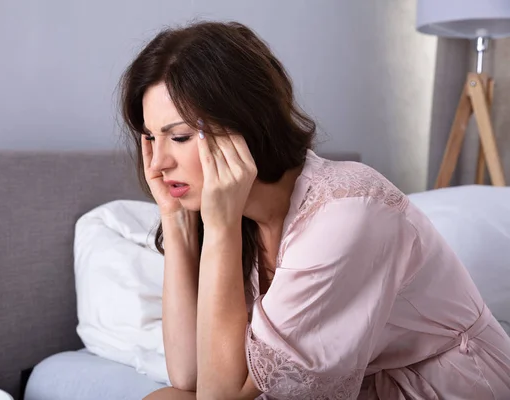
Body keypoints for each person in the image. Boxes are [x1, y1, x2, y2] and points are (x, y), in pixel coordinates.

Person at [118, 20, 510, 400]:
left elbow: (220, 395)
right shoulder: (239, 219)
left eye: (180, 136)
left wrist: (220, 228)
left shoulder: (346, 212)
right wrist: (175, 218)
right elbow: (189, 375)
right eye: (151, 138)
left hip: (449, 387)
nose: (157, 164)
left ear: (245, 125)